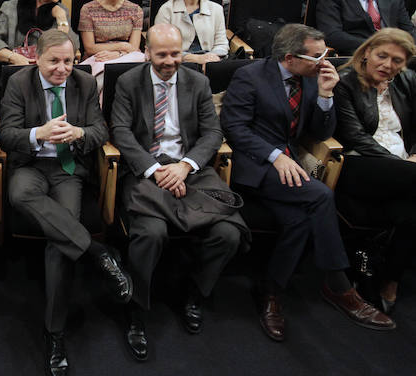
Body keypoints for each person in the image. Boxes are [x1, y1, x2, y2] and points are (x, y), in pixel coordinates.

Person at [221, 24, 395, 341]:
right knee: (319, 196)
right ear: (290, 57)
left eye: (325, 52)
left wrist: (327, 95)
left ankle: (270, 291)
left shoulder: (313, 79)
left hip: (290, 168)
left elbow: (321, 133)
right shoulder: (250, 76)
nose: (325, 60)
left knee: (299, 220)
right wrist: (276, 156)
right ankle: (338, 285)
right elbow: (235, 128)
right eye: (317, 56)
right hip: (254, 164)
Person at [110, 23, 246, 361]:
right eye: (162, 54)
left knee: (228, 233)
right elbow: (121, 132)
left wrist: (185, 166)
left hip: (189, 168)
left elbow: (212, 134)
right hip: (147, 169)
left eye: (175, 53)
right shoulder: (129, 82)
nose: (170, 61)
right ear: (147, 52)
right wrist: (157, 170)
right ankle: (137, 308)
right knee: (150, 233)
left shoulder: (197, 81)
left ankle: (194, 293)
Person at [0, 29, 133, 373]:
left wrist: (80, 133)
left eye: (68, 61)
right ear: (36, 59)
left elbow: (101, 131)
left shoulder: (85, 84)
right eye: (54, 61)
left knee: (60, 241)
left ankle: (54, 332)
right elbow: (6, 134)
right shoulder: (19, 83)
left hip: (67, 167)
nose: (62, 69)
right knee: (19, 193)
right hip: (31, 164)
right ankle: (99, 252)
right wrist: (37, 133)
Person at [333, 29, 416, 314]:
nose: (388, 65)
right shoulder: (345, 83)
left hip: (404, 166)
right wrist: (403, 166)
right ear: (366, 52)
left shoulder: (407, 81)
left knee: (410, 212)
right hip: (359, 164)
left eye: (397, 60)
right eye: (382, 56)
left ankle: (390, 278)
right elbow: (355, 137)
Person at [77, 0, 144, 81]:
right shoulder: (88, 9)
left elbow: (133, 47)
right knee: (105, 75)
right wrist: (123, 45)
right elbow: (90, 48)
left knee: (141, 62)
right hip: (98, 57)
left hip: (127, 57)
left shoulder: (136, 10)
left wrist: (117, 54)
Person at [154, 0, 228, 65]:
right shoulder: (167, 10)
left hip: (211, 62)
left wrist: (212, 58)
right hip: (177, 63)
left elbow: (221, 43)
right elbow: (161, 46)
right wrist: (192, 58)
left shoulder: (216, 9)